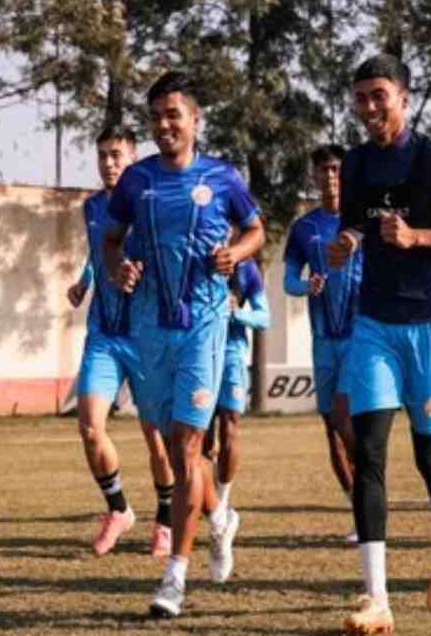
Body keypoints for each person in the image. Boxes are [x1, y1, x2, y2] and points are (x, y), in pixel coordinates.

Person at [329, 55, 431, 635]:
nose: (370, 108)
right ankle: (376, 598)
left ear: (403, 96)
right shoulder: (354, 163)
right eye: (361, 98)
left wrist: (420, 236)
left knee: (430, 456)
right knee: (367, 450)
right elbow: (353, 221)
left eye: (379, 95)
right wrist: (346, 241)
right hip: (375, 322)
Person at [104, 71, 265, 619]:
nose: (164, 125)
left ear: (195, 119)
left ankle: (174, 576)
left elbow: (256, 231)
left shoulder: (222, 177)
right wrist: (118, 267)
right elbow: (109, 240)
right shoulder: (135, 181)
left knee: (188, 445)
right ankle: (220, 519)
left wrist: (235, 255)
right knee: (174, 451)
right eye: (156, 117)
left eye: (174, 114)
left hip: (204, 322)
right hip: (148, 327)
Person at [67, 125, 177, 557]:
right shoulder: (91, 206)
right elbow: (99, 252)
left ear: (132, 158)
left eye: (116, 155)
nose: (109, 164)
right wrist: (84, 282)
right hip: (104, 334)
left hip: (146, 334)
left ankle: (166, 522)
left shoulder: (152, 206)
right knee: (90, 425)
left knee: (155, 436)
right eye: (103, 156)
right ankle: (119, 510)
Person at [283, 144, 362, 540]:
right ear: (313, 176)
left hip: (358, 337)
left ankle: (369, 499)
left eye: (335, 170)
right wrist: (305, 285)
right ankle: (357, 504)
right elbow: (287, 281)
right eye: (323, 171)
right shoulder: (304, 228)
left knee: (346, 420)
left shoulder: (364, 221)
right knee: (332, 427)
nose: (329, 177)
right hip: (322, 340)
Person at [201, 256, 271, 540]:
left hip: (231, 354)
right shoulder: (194, 255)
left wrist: (236, 312)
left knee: (230, 425)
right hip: (200, 353)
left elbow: (264, 317)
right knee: (201, 437)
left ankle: (223, 501)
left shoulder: (247, 268)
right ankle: (208, 504)